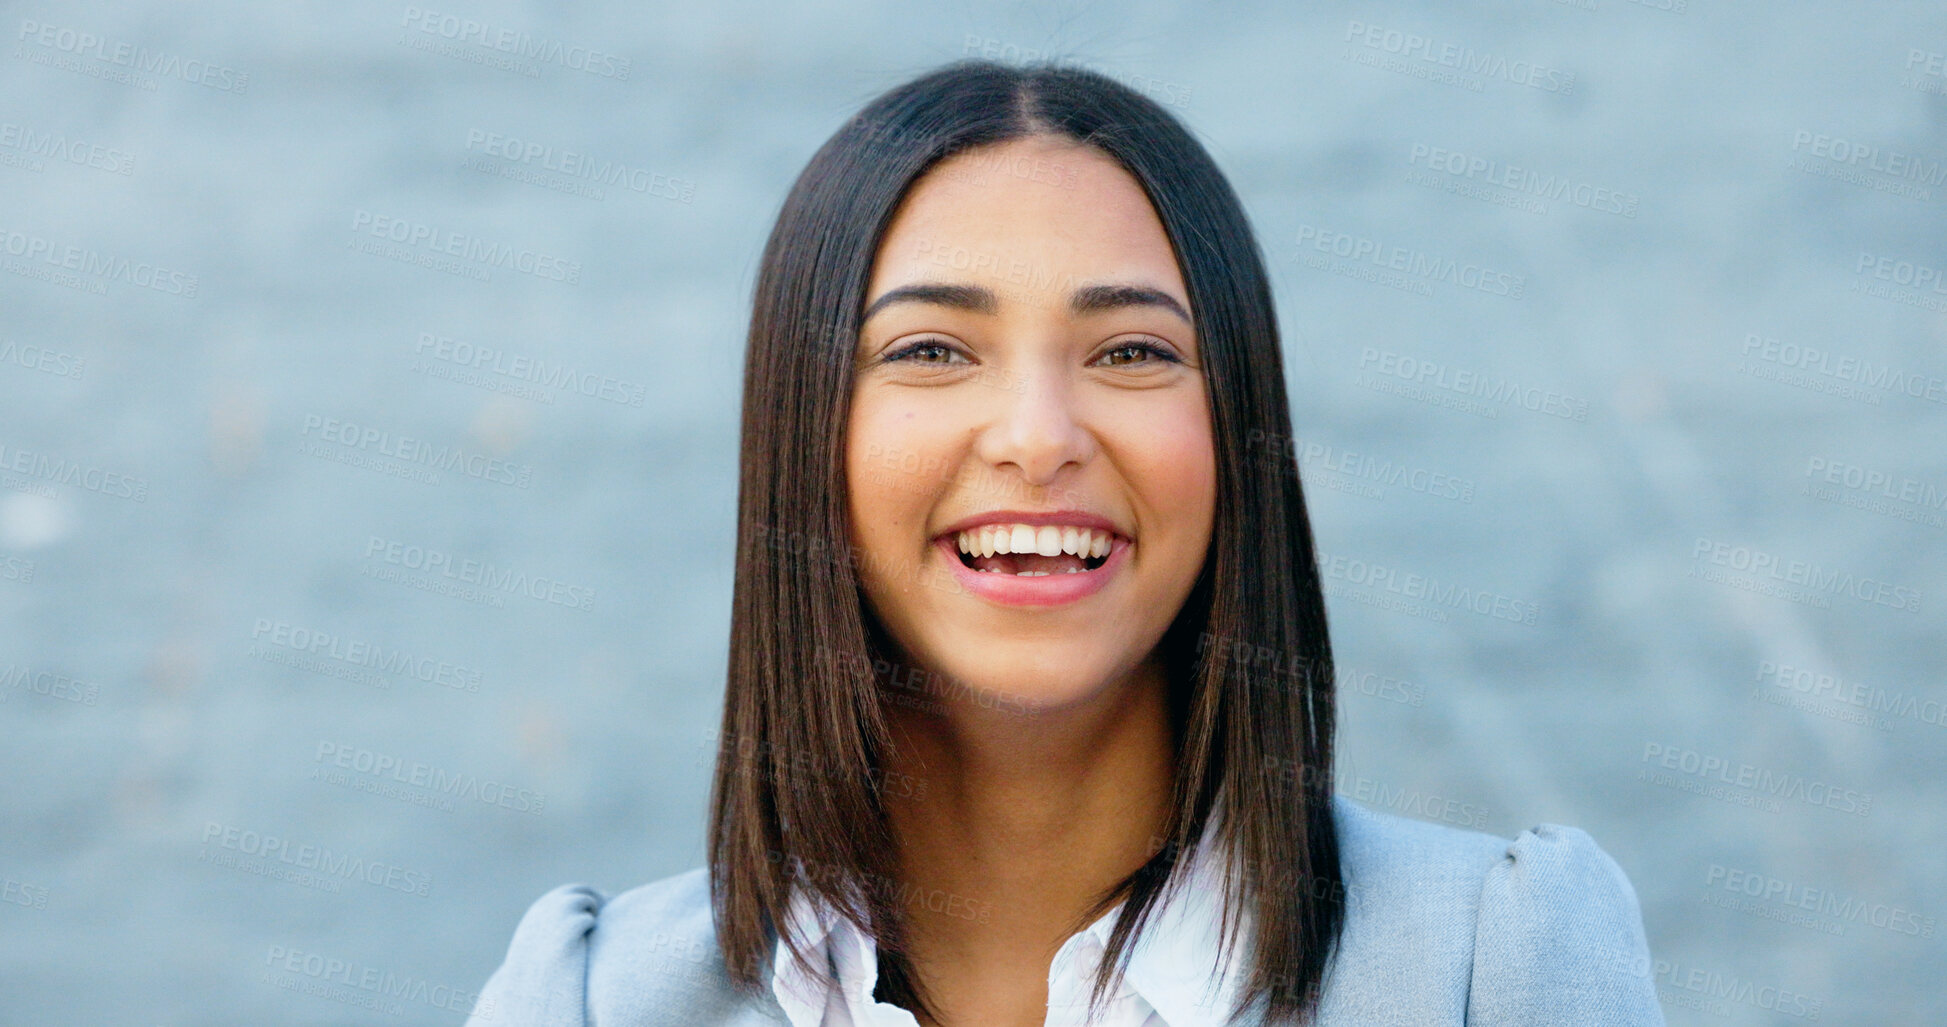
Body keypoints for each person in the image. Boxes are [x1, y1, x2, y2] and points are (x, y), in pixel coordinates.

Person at [463, 59, 1664, 1027]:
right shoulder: (586, 1000)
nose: (1039, 437)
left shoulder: (1492, 969)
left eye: (1133, 352)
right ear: (805, 437)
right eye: (930, 350)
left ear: (1238, 429)